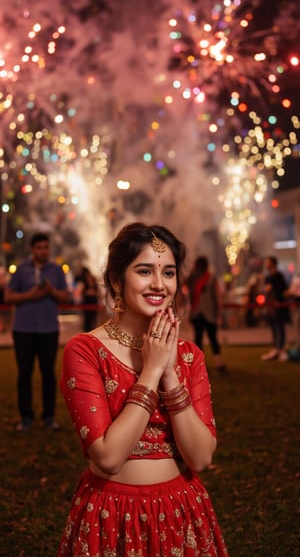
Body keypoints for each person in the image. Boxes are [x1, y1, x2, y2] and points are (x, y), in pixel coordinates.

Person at [58, 222, 229, 556]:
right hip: (112, 513)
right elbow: (108, 457)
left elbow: (201, 457)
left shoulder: (189, 356)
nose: (159, 284)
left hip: (181, 508)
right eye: (144, 270)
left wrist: (170, 373)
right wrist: (151, 371)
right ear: (115, 280)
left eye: (168, 272)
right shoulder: (85, 351)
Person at [4, 232, 70, 430]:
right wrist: (30, 295)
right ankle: (26, 417)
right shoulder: (21, 270)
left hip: (49, 329)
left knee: (48, 373)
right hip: (23, 329)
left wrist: (51, 291)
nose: (43, 251)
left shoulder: (56, 271)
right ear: (32, 249)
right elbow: (8, 297)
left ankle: (49, 417)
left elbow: (65, 297)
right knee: (24, 374)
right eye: (39, 247)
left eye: (46, 247)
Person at [186, 255, 227, 373]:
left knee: (198, 340)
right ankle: (219, 364)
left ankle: (198, 367)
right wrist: (219, 314)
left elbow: (188, 297)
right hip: (210, 314)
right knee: (213, 339)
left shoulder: (191, 279)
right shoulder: (211, 278)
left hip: (196, 313)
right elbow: (218, 297)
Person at [260, 255, 290, 362]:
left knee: (279, 326)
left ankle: (281, 348)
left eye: (267, 262)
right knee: (274, 326)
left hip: (279, 307)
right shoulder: (268, 277)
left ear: (272, 263)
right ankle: (276, 348)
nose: (265, 264)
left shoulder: (278, 276)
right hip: (271, 307)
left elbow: (284, 291)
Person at [73, 266, 99, 332]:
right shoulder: (82, 280)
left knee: (93, 318)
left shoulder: (93, 279)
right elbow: (81, 291)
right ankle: (87, 331)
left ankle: (92, 331)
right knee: (87, 318)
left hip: (93, 301)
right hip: (87, 301)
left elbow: (97, 290)